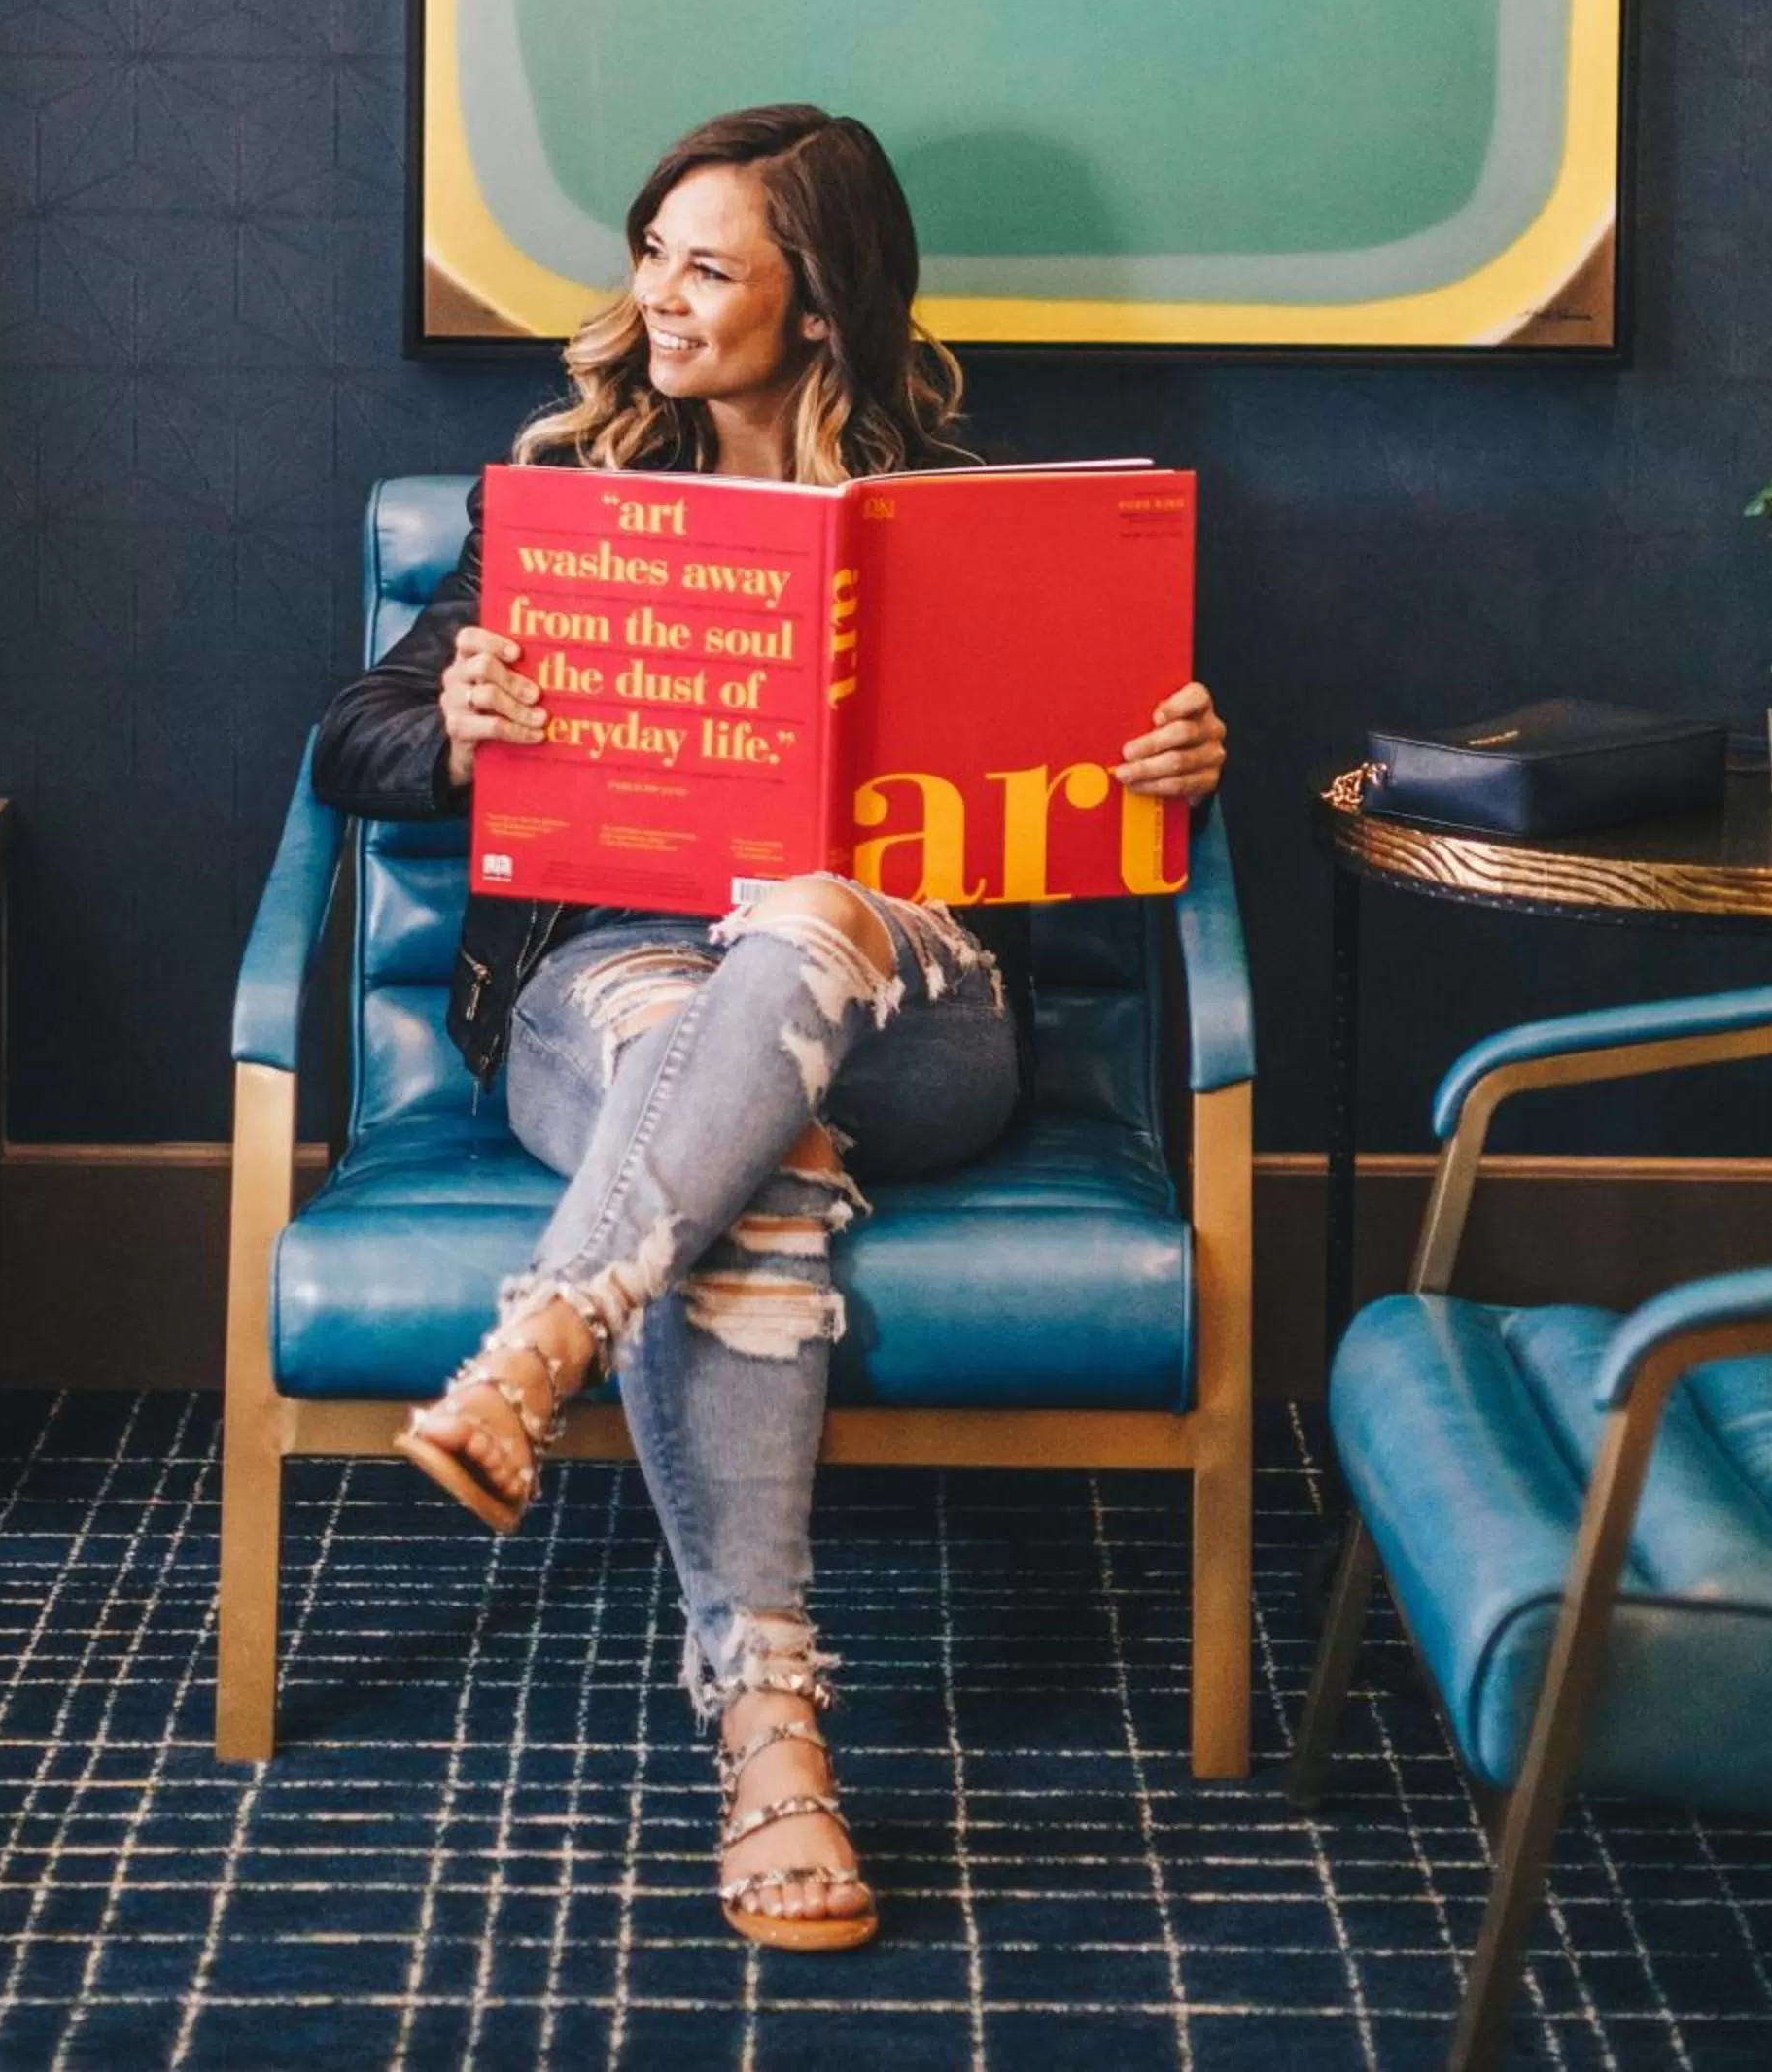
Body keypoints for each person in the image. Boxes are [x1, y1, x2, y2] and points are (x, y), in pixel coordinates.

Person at [310, 104, 1225, 1951]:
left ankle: (552, 1323)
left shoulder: (974, 528)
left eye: (707, 264)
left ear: (819, 304)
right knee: (752, 1145)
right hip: (605, 995)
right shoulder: (553, 506)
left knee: (804, 918)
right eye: (649, 250)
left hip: (914, 1009)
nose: (657, 294)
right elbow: (350, 751)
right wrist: (464, 721)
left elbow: (1092, 833)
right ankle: (774, 1745)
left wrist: (1173, 770)